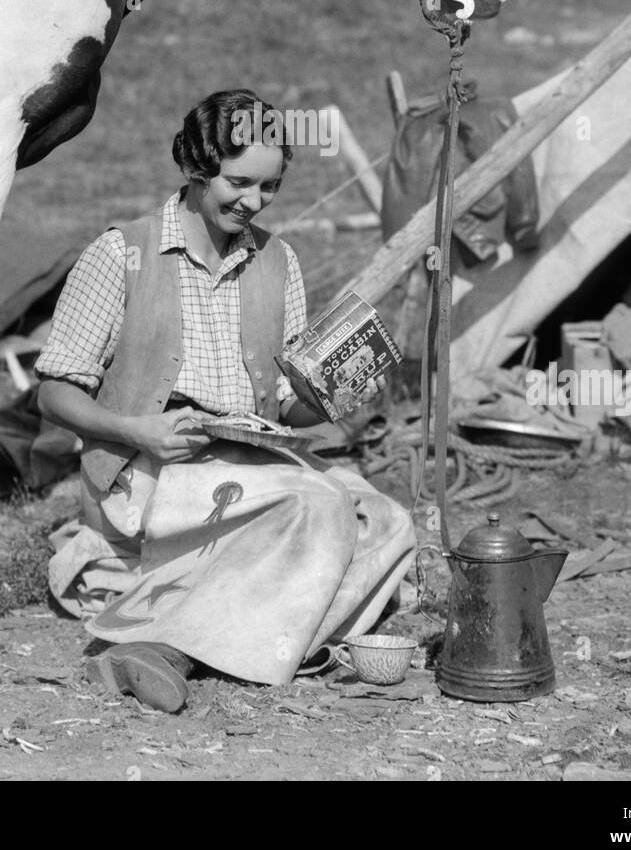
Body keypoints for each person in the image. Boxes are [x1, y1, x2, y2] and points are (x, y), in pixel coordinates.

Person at [35, 88, 416, 713]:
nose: (253, 202)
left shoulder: (278, 261)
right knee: (316, 504)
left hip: (250, 463)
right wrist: (138, 430)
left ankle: (202, 639)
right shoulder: (121, 254)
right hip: (151, 469)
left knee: (389, 524)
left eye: (269, 188)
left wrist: (332, 398)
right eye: (239, 182)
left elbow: (287, 408)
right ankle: (181, 645)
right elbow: (53, 393)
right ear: (196, 167)